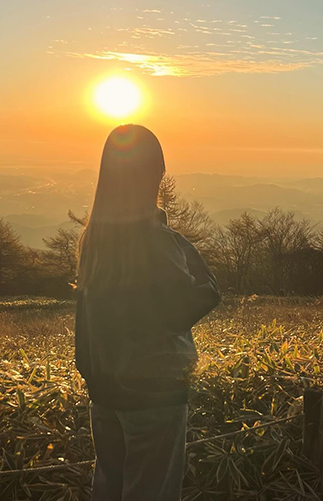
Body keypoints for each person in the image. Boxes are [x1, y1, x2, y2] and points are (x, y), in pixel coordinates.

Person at [75, 124, 221, 501]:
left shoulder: (94, 239)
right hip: (153, 394)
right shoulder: (158, 242)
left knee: (109, 487)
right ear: (155, 173)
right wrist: (180, 243)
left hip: (104, 393)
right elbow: (194, 300)